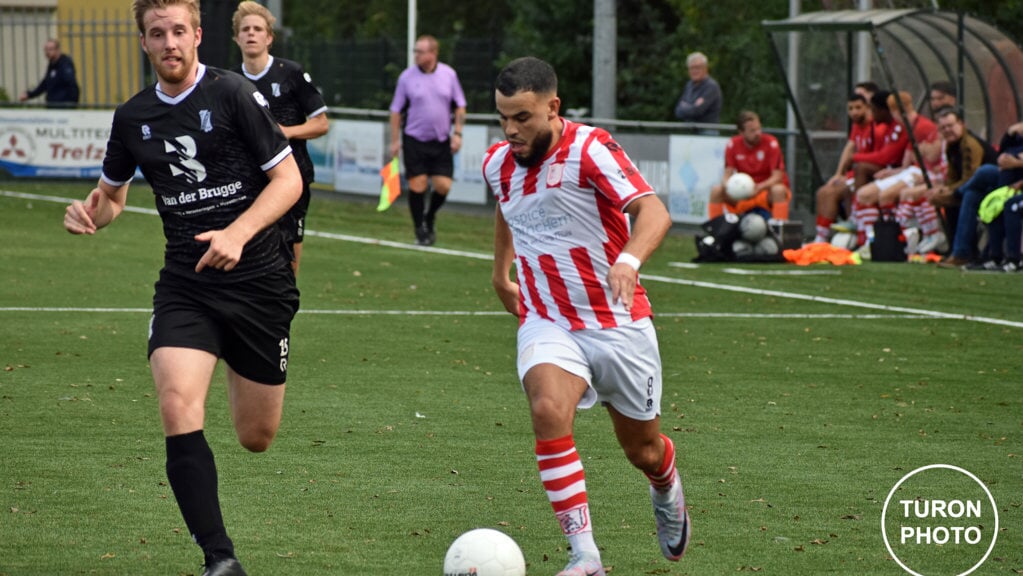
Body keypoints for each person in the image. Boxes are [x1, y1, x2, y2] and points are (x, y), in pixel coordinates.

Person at [62, 1, 302, 575]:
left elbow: (288, 179)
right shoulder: (132, 116)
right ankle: (220, 559)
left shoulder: (233, 94)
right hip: (186, 285)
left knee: (256, 436)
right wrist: (92, 213)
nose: (168, 42)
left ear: (196, 35)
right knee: (176, 403)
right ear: (143, 42)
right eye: (156, 33)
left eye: (177, 31)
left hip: (260, 285)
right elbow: (114, 196)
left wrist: (239, 233)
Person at [485, 56, 688, 576]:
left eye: (523, 118)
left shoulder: (589, 148)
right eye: (503, 117)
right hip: (547, 319)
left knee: (642, 450)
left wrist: (629, 259)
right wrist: (499, 271)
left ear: (553, 108)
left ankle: (665, 486)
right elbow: (507, 206)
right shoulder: (498, 163)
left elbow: (653, 210)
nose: (511, 130)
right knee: (548, 409)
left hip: (618, 323)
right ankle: (586, 558)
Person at [233, 0, 328, 275]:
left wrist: (285, 132)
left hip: (292, 176)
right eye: (245, 29)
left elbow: (321, 124)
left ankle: (283, 309)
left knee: (289, 255)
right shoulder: (229, 81)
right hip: (247, 179)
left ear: (269, 37)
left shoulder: (291, 74)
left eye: (258, 29)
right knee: (248, 248)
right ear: (236, 37)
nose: (251, 34)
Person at [389, 34, 466, 246]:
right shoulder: (406, 77)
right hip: (414, 139)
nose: (416, 55)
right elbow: (395, 111)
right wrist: (395, 141)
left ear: (433, 53)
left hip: (440, 141)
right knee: (418, 184)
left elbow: (460, 105)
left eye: (420, 51)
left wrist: (457, 133)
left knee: (443, 186)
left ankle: (429, 216)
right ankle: (420, 230)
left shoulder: (449, 75)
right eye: (415, 51)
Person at [940, 121, 1023, 268]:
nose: (947, 130)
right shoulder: (951, 147)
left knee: (984, 173)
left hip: (1015, 182)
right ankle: (965, 253)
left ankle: (1010, 258)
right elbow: (1003, 150)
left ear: (962, 124)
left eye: (950, 125)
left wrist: (1017, 164)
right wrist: (1010, 131)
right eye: (943, 127)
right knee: (973, 195)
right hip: (1004, 181)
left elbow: (969, 174)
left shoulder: (970, 144)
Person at [813, 93, 879, 244]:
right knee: (824, 191)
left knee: (844, 189)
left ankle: (855, 224)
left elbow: (877, 156)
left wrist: (853, 161)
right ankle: (821, 237)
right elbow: (849, 148)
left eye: (858, 107)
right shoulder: (856, 126)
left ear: (868, 108)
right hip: (854, 172)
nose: (854, 112)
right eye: (850, 108)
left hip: (868, 174)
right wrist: (838, 173)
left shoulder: (875, 126)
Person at [708, 110, 791, 221]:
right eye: (752, 131)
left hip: (764, 191)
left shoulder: (771, 143)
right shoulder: (733, 144)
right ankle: (715, 230)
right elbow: (727, 173)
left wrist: (759, 187)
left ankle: (780, 230)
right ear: (741, 132)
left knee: (779, 190)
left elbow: (777, 176)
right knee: (716, 190)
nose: (757, 133)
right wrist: (729, 186)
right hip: (743, 191)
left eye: (758, 129)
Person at [19, 39, 80, 108]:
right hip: (52, 106)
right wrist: (29, 94)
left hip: (63, 108)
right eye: (46, 49)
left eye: (50, 49)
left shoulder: (65, 64)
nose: (47, 52)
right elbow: (45, 84)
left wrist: (72, 105)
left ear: (58, 50)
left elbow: (72, 85)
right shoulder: (52, 65)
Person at [673, 51, 722, 126]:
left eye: (697, 68)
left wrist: (686, 106)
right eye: (691, 68)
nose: (694, 71)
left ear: (706, 69)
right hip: (689, 129)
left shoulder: (711, 86)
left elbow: (697, 111)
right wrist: (692, 107)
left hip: (707, 131)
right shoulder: (689, 85)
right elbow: (678, 111)